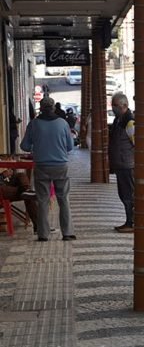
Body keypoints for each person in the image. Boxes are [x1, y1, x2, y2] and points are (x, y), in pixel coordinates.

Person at [19, 96, 75, 242]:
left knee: (42, 200)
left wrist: (36, 146)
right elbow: (70, 146)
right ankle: (67, 233)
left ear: (41, 109)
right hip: (60, 166)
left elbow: (24, 146)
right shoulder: (63, 123)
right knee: (63, 199)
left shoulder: (34, 124)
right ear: (54, 108)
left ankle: (43, 234)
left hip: (41, 166)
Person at [109, 93, 136, 233]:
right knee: (123, 194)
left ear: (124, 105)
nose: (113, 108)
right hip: (121, 164)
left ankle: (131, 222)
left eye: (115, 106)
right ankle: (128, 221)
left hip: (127, 164)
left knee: (128, 194)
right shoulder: (118, 120)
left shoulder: (129, 122)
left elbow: (136, 143)